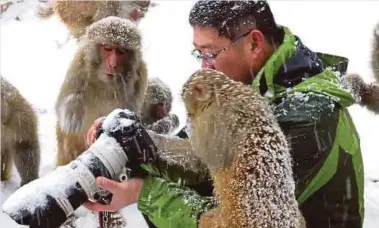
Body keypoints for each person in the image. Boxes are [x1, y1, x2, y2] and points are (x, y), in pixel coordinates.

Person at [84, 1, 365, 228]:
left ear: (254, 43)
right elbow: (200, 153)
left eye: (211, 53)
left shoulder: (308, 118)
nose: (206, 67)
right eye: (199, 54)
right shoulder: (245, 83)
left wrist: (141, 192)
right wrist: (136, 140)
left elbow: (223, 207)